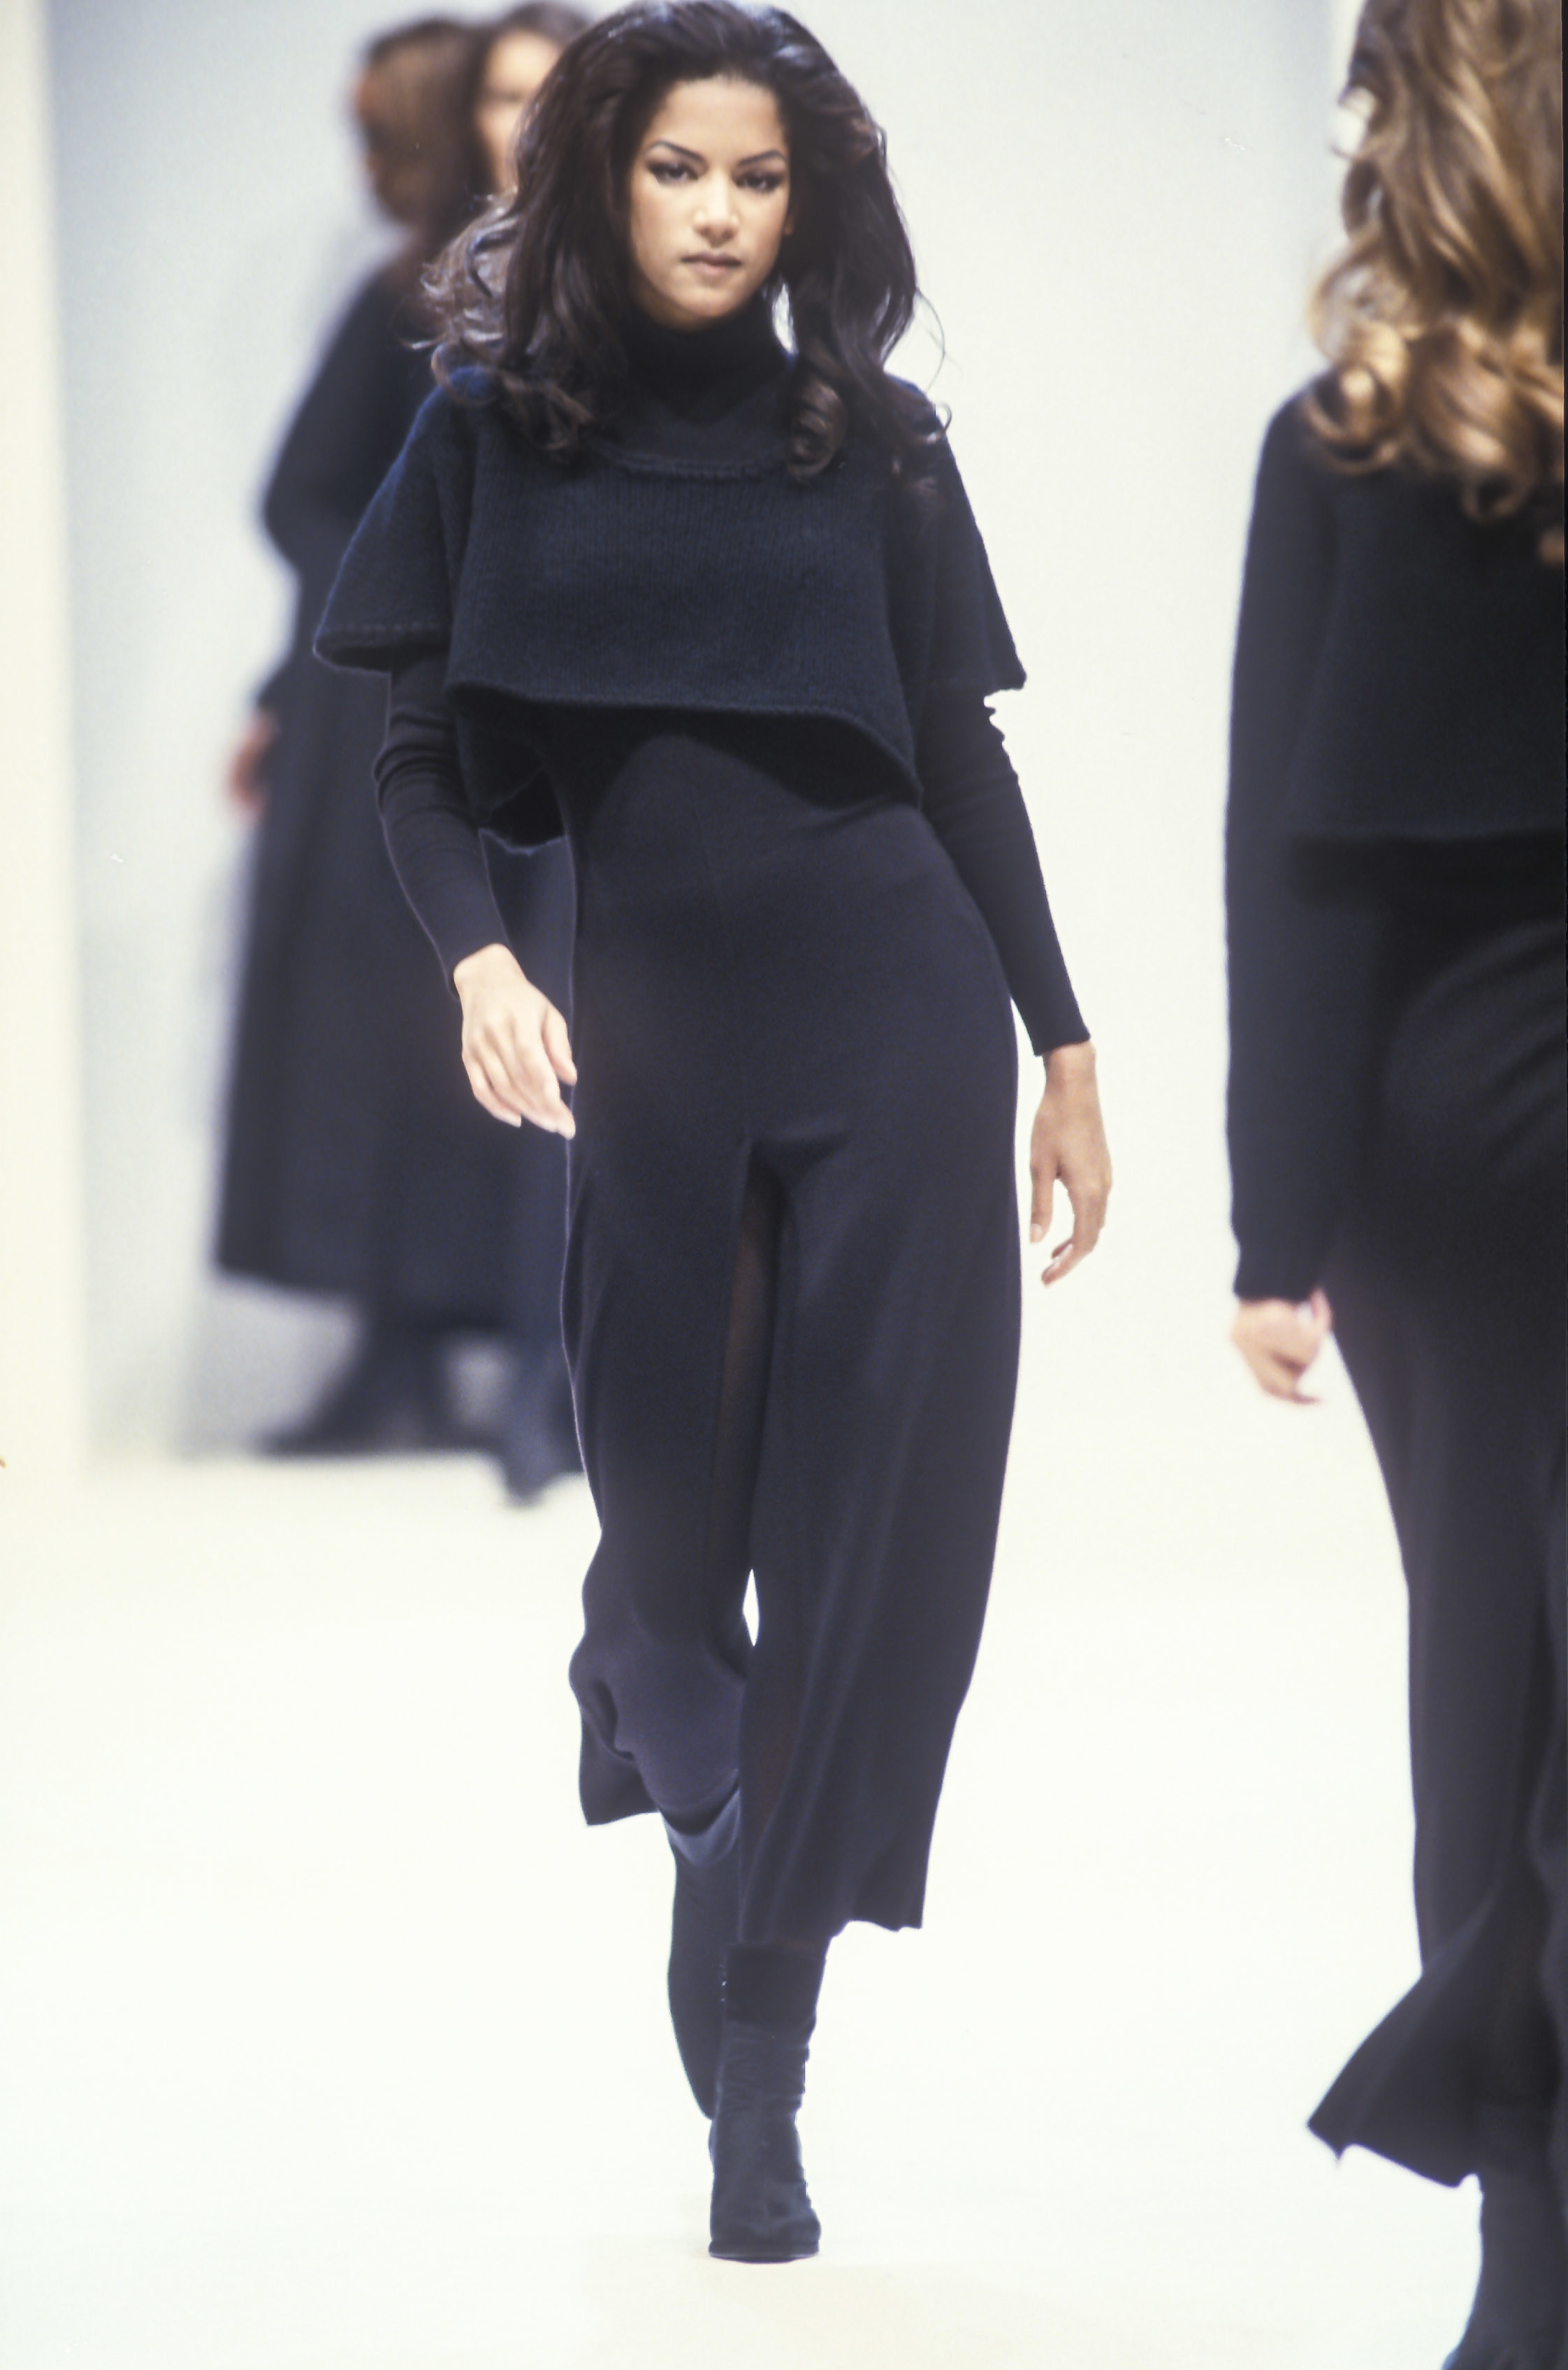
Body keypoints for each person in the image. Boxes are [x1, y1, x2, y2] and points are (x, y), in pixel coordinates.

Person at [317, 0, 1110, 2262]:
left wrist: (1063, 1045)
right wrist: (481, 960)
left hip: (898, 1021)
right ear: (600, 174)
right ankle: (705, 1817)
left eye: (759, 175)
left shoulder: (872, 438)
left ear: (807, 195)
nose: (718, 212)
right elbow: (416, 761)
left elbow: (954, 755)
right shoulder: (492, 429)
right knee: (667, 1584)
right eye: (678, 167)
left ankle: (762, 2091)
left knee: (858, 1561)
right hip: (650, 1042)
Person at [1225, 2, 1565, 2362]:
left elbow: (1301, 864)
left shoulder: (1348, 443)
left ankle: (1526, 2258)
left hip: (1454, 1133)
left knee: (1493, 1678)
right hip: (1473, 1123)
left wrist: (1279, 1217)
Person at [217, 11, 583, 1495]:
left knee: (566, 1017)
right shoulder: (416, 299)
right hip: (417, 717)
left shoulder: (625, 302)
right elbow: (306, 496)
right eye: (503, 95)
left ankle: (549, 1366)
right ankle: (412, 1357)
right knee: (413, 1029)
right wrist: (392, 612)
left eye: (552, 92)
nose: (525, 122)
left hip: (561, 723)